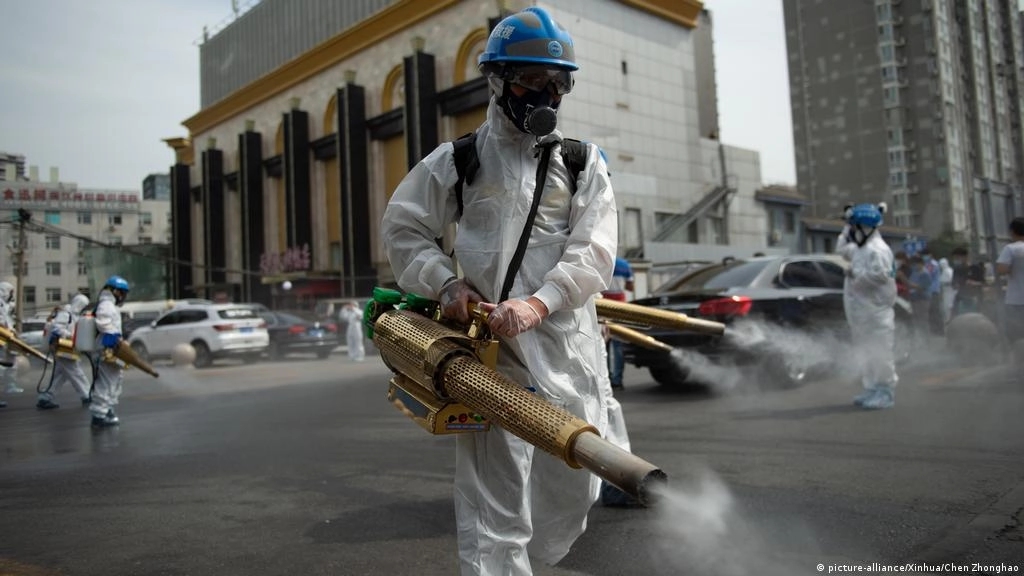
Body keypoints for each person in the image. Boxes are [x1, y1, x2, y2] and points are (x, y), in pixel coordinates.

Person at [380, 7, 616, 574]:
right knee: (495, 508)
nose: (546, 95)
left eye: (557, 83)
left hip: (566, 352)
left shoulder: (580, 164)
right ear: (498, 80)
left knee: (575, 483)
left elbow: (595, 250)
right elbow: (404, 227)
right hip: (492, 356)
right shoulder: (458, 161)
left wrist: (539, 303)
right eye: (532, 80)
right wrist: (446, 283)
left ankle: (533, 560)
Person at [836, 202, 898, 410]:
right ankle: (871, 388)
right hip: (862, 311)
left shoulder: (878, 250)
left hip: (877, 312)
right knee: (866, 352)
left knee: (880, 353)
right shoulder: (860, 248)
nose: (853, 232)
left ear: (866, 227)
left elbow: (880, 277)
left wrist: (855, 274)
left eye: (855, 227)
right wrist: (846, 225)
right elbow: (841, 250)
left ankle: (885, 391)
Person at [36, 294, 92, 410]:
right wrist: (71, 336)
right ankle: (87, 395)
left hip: (67, 348)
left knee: (60, 375)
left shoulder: (73, 316)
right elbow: (57, 328)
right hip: (62, 347)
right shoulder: (66, 314)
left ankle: (46, 397)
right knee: (76, 372)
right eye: (84, 306)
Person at [90, 275, 130, 428]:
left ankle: (107, 410)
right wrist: (114, 341)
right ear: (115, 291)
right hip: (106, 350)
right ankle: (99, 415)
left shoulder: (110, 305)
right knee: (106, 383)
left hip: (112, 349)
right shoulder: (106, 304)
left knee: (114, 380)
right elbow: (103, 324)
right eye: (122, 293)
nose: (123, 296)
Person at [602, 257, 634, 390]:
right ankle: (617, 379)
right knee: (618, 344)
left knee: (603, 344)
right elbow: (630, 287)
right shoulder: (624, 264)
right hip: (620, 308)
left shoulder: (602, 261)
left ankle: (605, 378)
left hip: (603, 307)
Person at [995, 217, 1024, 352]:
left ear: (1012, 231)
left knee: (1016, 335)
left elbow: (1001, 269)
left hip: (1016, 300)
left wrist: (1013, 269)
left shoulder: (1011, 249)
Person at [0, 281, 22, 399]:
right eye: (10, 292)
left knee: (12, 362)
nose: (12, 295)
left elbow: (9, 320)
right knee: (2, 364)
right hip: (1, 337)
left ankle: (10, 385)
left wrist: (13, 330)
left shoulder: (8, 305)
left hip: (9, 336)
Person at [950, 246, 985, 316]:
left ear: (965, 257)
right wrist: (956, 285)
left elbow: (983, 283)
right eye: (955, 258)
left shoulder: (975, 268)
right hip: (961, 297)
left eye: (958, 258)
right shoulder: (957, 269)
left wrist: (974, 283)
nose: (957, 260)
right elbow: (953, 284)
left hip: (974, 297)